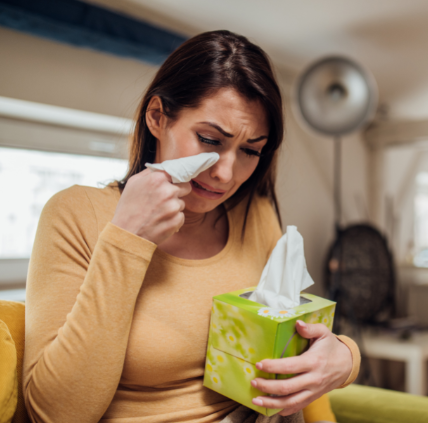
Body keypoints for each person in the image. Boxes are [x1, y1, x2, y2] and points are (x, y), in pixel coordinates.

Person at [22, 30, 360, 423]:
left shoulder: (256, 213)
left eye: (251, 150)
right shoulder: (75, 214)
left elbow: (292, 333)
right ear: (157, 118)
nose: (226, 174)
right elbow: (56, 414)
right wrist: (127, 238)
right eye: (209, 140)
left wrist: (346, 357)